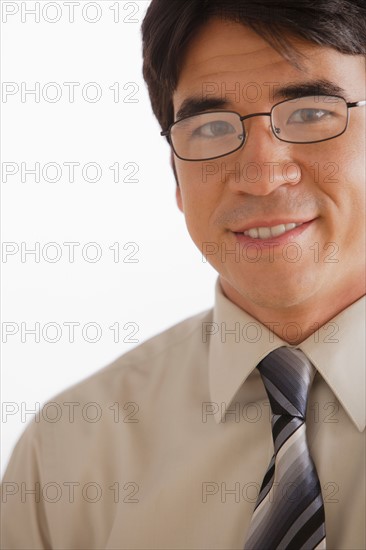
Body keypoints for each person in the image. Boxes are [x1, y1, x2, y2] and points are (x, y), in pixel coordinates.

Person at [1, 0, 365, 548]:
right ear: (175, 173)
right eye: (212, 126)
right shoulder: (65, 451)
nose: (263, 176)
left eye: (312, 113)